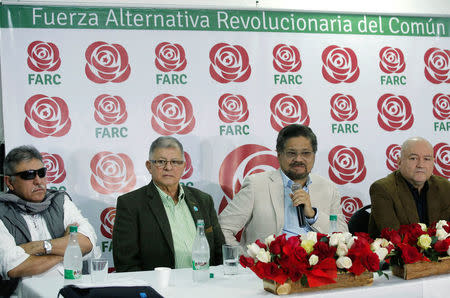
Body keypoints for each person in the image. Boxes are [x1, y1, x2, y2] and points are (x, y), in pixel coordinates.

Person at [218, 124, 347, 247]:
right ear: (279, 155)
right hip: (271, 267)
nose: (298, 159)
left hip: (315, 266)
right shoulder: (257, 185)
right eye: (291, 153)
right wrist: (243, 258)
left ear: (314, 155)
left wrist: (313, 215)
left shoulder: (328, 188)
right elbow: (223, 228)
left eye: (306, 153)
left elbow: (343, 236)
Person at [113, 136, 225, 272]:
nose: (168, 167)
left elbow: (220, 253)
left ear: (184, 166)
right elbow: (126, 264)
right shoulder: (130, 204)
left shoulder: (203, 200)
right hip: (159, 288)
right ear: (149, 166)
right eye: (161, 162)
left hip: (204, 284)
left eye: (175, 162)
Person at [0, 145, 96, 295]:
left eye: (41, 173)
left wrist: (39, 247)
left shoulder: (60, 200)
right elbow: (12, 267)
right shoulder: (2, 211)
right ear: (9, 182)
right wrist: (67, 251)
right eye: (28, 175)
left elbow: (87, 242)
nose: (38, 181)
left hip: (71, 290)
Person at [369, 137, 450, 237]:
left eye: (427, 159)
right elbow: (394, 239)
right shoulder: (382, 189)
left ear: (433, 162)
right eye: (413, 158)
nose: (420, 165)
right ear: (399, 162)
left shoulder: (445, 187)